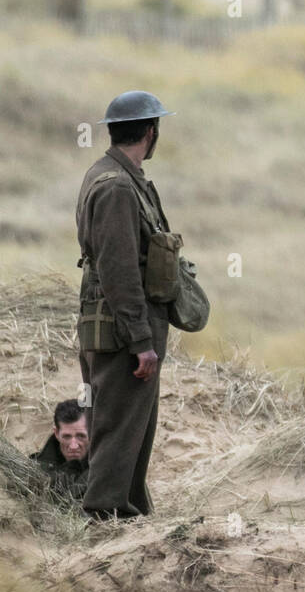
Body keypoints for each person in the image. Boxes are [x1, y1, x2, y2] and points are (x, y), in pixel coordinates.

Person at [75, 90, 206, 520]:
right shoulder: (115, 187)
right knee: (118, 424)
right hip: (120, 330)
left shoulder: (119, 176)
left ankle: (128, 509)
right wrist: (140, 341)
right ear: (152, 132)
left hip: (120, 326)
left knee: (133, 424)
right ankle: (105, 513)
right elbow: (119, 271)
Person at [31, 399, 90, 501]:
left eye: (81, 436)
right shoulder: (35, 468)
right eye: (67, 437)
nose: (73, 446)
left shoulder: (102, 468)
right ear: (56, 433)